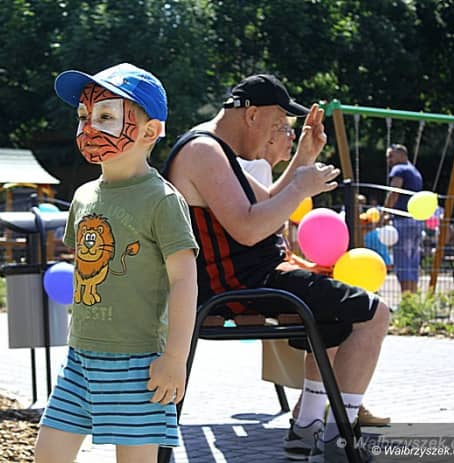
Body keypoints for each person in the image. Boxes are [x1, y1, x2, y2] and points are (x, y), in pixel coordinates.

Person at [163, 73, 390, 462]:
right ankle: (340, 440)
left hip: (248, 279)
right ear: (252, 115)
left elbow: (267, 200)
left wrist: (304, 156)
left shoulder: (212, 148)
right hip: (242, 285)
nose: (278, 134)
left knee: (335, 318)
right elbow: (250, 229)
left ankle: (307, 430)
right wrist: (302, 186)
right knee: (375, 314)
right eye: (278, 124)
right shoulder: (204, 151)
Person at [34, 63, 199, 463]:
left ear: (149, 131)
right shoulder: (83, 196)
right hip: (80, 359)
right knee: (47, 455)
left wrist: (175, 358)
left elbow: (184, 281)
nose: (89, 127)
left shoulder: (162, 200)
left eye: (106, 116)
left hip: (138, 364)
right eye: (83, 116)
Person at [239, 114, 391, 429]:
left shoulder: (241, 166)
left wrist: (307, 266)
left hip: (253, 280)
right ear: (265, 132)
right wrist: (300, 180)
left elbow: (267, 243)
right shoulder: (250, 168)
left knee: (333, 309)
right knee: (370, 312)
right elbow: (259, 235)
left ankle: (312, 419)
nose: (291, 136)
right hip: (254, 286)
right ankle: (338, 426)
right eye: (285, 129)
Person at [384, 143, 423, 294]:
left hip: (402, 220)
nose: (389, 161)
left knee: (402, 262)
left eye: (391, 156)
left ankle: (406, 298)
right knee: (413, 261)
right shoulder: (415, 171)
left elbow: (394, 192)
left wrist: (385, 212)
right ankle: (412, 297)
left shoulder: (399, 169)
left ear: (402, 154)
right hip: (416, 221)